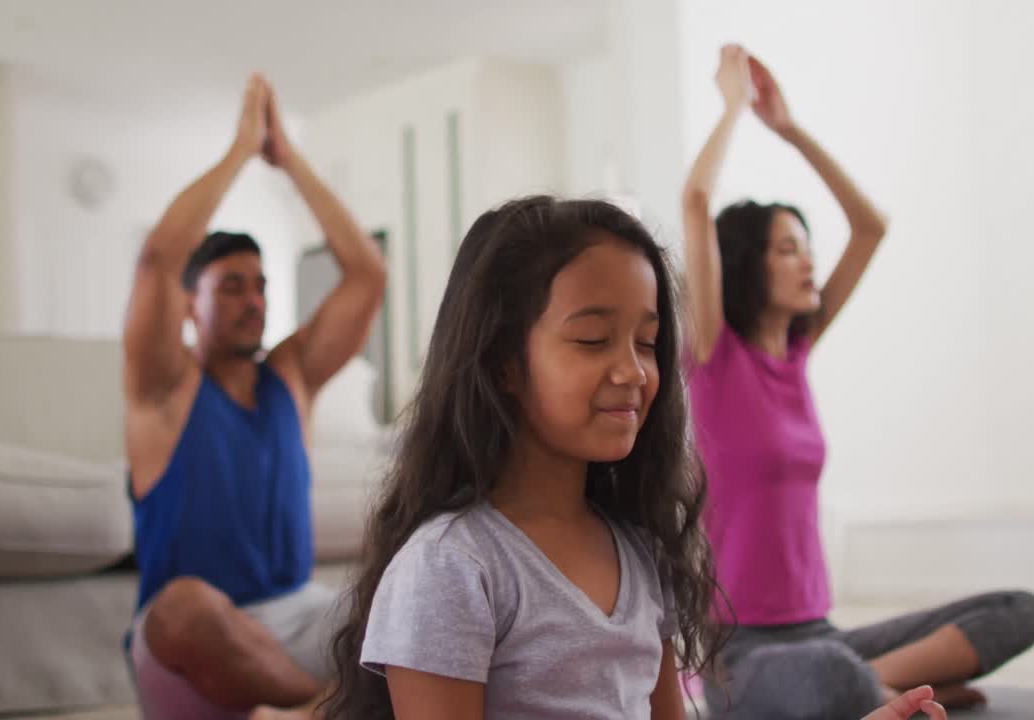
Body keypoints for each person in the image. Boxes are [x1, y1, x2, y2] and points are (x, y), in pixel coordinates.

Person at [315, 195, 946, 720]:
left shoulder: (638, 551)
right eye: (592, 340)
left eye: (647, 343)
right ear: (504, 363)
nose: (634, 371)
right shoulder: (449, 569)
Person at [681, 45, 1034, 717]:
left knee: (1019, 610)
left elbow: (870, 226)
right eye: (788, 249)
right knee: (830, 678)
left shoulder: (795, 353)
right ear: (746, 265)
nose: (808, 263)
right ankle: (883, 687)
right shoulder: (713, 356)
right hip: (740, 653)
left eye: (807, 246)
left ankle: (879, 684)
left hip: (822, 631)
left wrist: (789, 129)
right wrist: (733, 107)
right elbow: (697, 201)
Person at [121, 73, 387, 720]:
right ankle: (323, 708)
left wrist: (291, 163)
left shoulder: (291, 376)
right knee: (186, 605)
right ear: (191, 304)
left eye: (261, 286)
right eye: (231, 287)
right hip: (194, 641)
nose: (254, 301)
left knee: (406, 599)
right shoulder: (165, 388)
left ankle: (304, 707)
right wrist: (241, 152)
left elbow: (366, 274)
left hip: (297, 617)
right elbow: (158, 259)